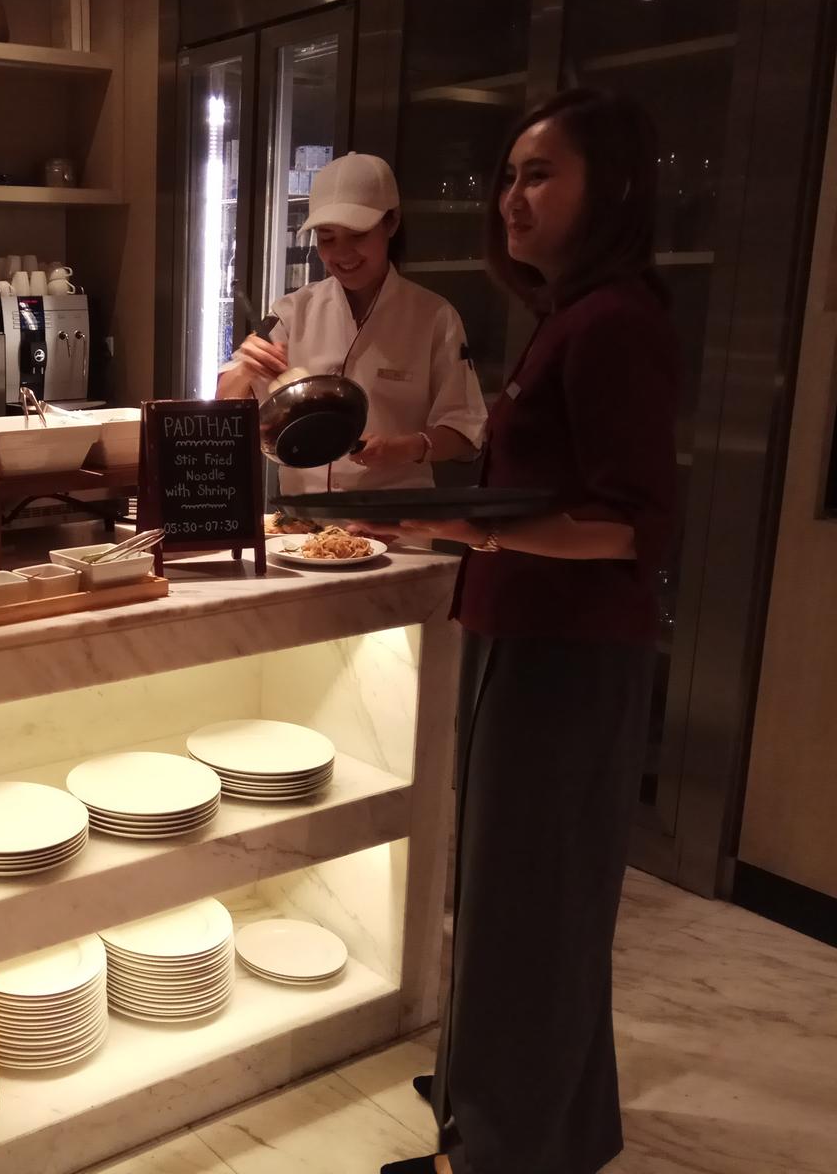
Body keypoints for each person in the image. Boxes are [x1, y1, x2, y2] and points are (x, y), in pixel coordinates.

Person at [381, 90, 680, 1174]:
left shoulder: (611, 326)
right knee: (532, 897)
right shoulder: (571, 316)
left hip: (567, 653)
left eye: (539, 173)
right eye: (507, 175)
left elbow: (628, 524)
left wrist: (466, 523)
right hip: (533, 637)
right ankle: (554, 1127)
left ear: (610, 189)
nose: (511, 196)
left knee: (527, 905)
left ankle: (499, 1153)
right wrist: (473, 527)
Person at [216, 151, 486, 494]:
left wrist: (405, 448)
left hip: (397, 526)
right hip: (301, 531)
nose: (342, 254)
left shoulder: (434, 317)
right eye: (327, 238)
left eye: (357, 235)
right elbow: (224, 412)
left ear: (392, 223)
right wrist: (245, 369)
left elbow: (465, 430)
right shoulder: (290, 312)